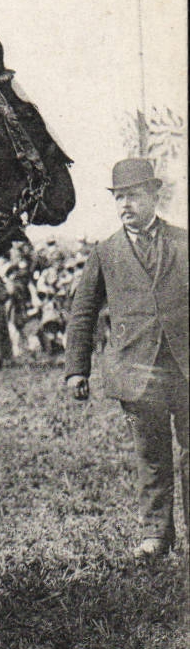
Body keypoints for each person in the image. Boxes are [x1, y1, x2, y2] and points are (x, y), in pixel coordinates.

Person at [65, 157, 188, 557]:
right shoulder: (107, 252)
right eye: (119, 197)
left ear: (155, 195)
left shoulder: (184, 243)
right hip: (136, 370)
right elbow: (83, 312)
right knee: (150, 454)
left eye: (133, 195)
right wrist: (75, 370)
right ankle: (155, 534)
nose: (125, 205)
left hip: (184, 366)